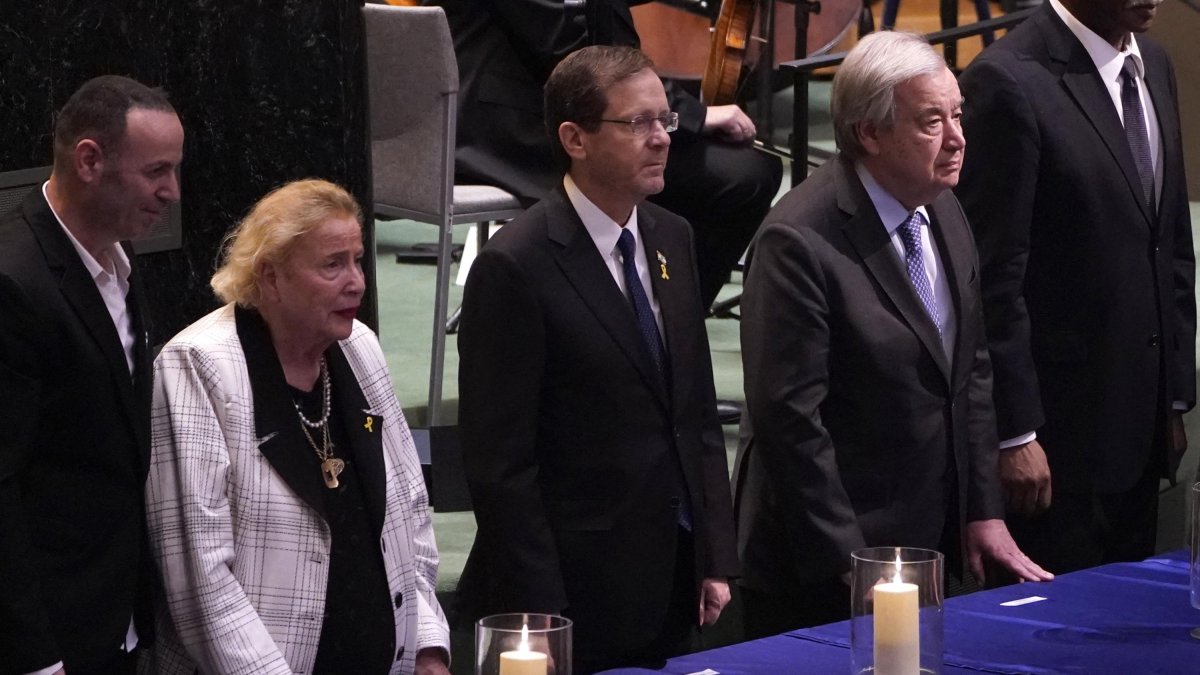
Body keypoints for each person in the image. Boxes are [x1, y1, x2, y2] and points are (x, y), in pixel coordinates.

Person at [733, 31, 1053, 637]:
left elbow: (971, 367)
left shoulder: (941, 203)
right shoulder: (798, 241)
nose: (958, 138)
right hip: (823, 566)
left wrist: (982, 509)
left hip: (921, 548)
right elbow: (790, 421)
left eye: (958, 115)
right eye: (931, 121)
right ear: (869, 134)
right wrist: (855, 564)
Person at [454, 46, 739, 672]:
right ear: (574, 138)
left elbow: (693, 414)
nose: (662, 138)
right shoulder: (516, 266)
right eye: (637, 123)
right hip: (571, 597)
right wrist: (545, 615)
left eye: (664, 119)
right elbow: (500, 467)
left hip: (671, 578)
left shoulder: (672, 236)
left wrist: (714, 553)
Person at [142, 180, 450, 674]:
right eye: (332, 264)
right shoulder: (198, 366)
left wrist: (428, 647)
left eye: (357, 259)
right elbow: (199, 578)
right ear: (271, 277)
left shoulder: (359, 347)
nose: (356, 282)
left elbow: (410, 513)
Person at [956, 0, 1194, 574]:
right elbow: (991, 276)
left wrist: (1174, 397)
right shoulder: (1008, 78)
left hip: (1141, 433)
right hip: (1055, 448)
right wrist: (1013, 433)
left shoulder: (1154, 63)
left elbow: (1170, 243)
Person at [0, 75, 183, 675]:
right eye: (156, 171)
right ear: (89, 160)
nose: (171, 192)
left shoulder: (119, 264)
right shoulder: (14, 285)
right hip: (49, 639)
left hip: (115, 621)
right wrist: (35, 657)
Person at [431, 0, 783, 309]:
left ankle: (658, 326)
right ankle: (650, 325)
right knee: (740, 177)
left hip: (557, 104)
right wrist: (688, 114)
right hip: (508, 122)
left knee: (740, 169)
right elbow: (574, 48)